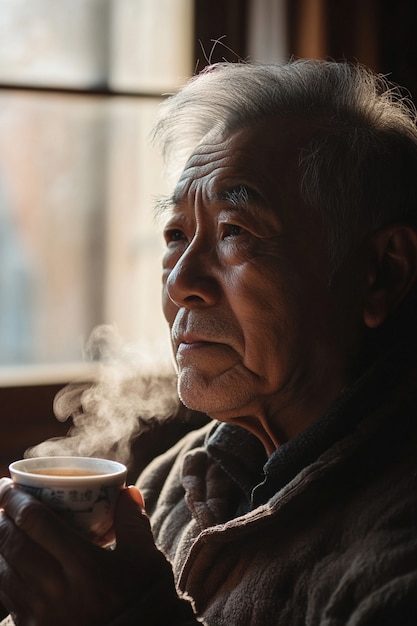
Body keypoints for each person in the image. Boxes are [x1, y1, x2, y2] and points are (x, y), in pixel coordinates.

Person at [1, 57, 417, 625]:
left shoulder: (395, 553)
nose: (180, 282)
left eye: (234, 231)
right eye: (175, 235)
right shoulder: (176, 480)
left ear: (381, 273)